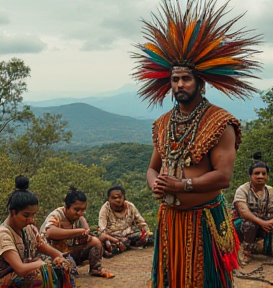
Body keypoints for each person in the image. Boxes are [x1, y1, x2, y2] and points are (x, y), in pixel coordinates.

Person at [131, 0, 262, 287]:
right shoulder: (163, 123)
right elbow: (153, 167)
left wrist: (182, 186)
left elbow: (224, 177)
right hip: (170, 221)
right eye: (175, 79)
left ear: (200, 83)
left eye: (186, 79)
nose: (179, 84)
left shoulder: (220, 123)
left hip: (204, 220)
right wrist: (155, 183)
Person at [0, 175, 73, 288]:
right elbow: (20, 269)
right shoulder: (3, 234)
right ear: (13, 212)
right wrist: (43, 264)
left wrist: (59, 256)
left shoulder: (27, 228)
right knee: (37, 275)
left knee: (61, 266)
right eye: (26, 215)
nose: (31, 220)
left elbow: (40, 246)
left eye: (33, 215)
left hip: (17, 273)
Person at [40, 186, 114, 279]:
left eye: (83, 209)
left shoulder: (79, 218)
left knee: (95, 241)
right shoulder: (56, 215)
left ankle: (96, 269)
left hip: (69, 250)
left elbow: (87, 232)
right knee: (68, 271)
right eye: (77, 210)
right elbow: (50, 232)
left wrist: (85, 235)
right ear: (67, 207)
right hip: (52, 253)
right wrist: (77, 232)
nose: (80, 213)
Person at [233, 162, 273, 264]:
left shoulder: (270, 191)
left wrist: (269, 222)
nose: (260, 176)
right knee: (249, 224)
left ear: (267, 176)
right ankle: (246, 252)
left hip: (265, 223)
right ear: (250, 175)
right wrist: (262, 223)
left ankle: (267, 249)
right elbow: (243, 212)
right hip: (242, 224)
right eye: (257, 173)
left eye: (263, 173)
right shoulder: (243, 190)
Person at [98, 185, 152, 257]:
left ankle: (125, 246)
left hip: (129, 234)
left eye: (119, 197)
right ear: (109, 199)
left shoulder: (130, 206)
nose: (117, 200)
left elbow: (141, 221)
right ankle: (120, 246)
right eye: (114, 198)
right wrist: (115, 240)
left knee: (143, 236)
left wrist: (147, 232)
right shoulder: (105, 208)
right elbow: (102, 229)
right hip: (113, 236)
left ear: (123, 197)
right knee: (107, 243)